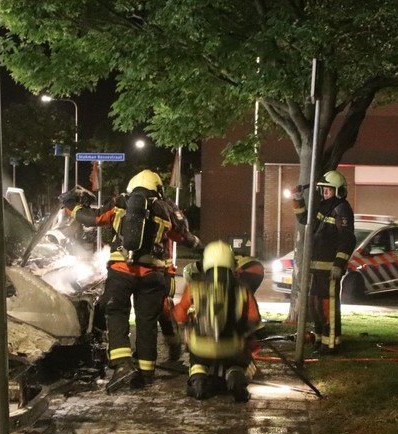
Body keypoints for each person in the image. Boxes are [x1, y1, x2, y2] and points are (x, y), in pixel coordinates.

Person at [64, 169, 203, 391]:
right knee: (146, 321)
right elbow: (182, 236)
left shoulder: (120, 202)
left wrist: (72, 206)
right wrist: (201, 247)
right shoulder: (166, 209)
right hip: (152, 274)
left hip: (121, 271)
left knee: (117, 313)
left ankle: (122, 365)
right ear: (157, 188)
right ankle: (146, 373)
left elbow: (94, 218)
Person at [173, 241, 262, 402]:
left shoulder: (195, 286)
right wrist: (243, 333)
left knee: (197, 360)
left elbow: (179, 314)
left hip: (200, 346)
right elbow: (254, 319)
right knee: (242, 361)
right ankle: (236, 377)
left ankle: (198, 380)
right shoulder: (242, 288)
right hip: (232, 346)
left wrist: (187, 328)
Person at [293, 169, 356, 353]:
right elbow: (305, 219)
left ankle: (331, 344)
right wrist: (298, 199)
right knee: (315, 305)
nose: (326, 193)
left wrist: (339, 264)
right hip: (316, 268)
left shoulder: (342, 209)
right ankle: (320, 339)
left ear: (338, 191)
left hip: (330, 269)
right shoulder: (322, 206)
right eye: (324, 190)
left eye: (329, 190)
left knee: (328, 307)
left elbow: (347, 239)